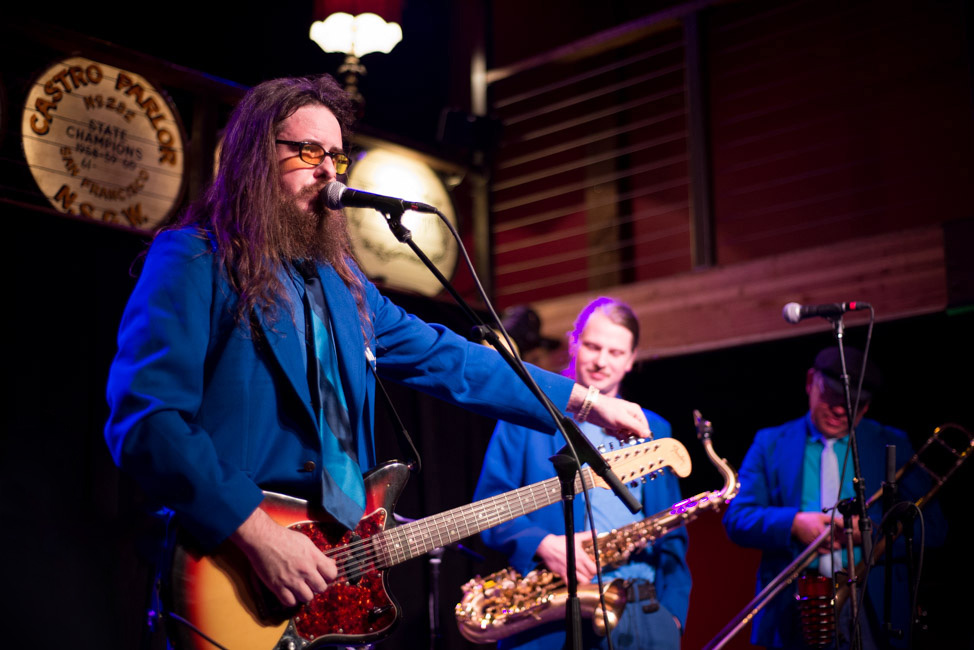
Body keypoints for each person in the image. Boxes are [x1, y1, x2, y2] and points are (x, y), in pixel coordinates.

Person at [103, 74, 652, 621]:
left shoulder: (344, 288)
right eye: (308, 150)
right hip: (234, 570)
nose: (327, 171)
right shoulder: (196, 260)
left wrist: (582, 401)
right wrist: (256, 533)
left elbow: (450, 358)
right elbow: (148, 421)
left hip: (332, 580)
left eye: (337, 157)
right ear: (255, 157)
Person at [474, 297, 691, 650]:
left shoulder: (656, 428)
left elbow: (673, 535)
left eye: (616, 352)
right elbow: (486, 507)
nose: (602, 361)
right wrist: (543, 544)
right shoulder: (526, 415)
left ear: (632, 359)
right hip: (550, 612)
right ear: (573, 341)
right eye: (592, 346)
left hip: (644, 615)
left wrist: (673, 618)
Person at [722, 345, 946, 649]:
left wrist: (867, 531)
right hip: (796, 607)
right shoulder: (770, 443)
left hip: (874, 605)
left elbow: (932, 528)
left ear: (866, 407)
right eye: (831, 395)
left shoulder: (891, 442)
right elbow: (737, 519)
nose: (841, 409)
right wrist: (794, 523)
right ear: (810, 381)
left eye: (855, 403)